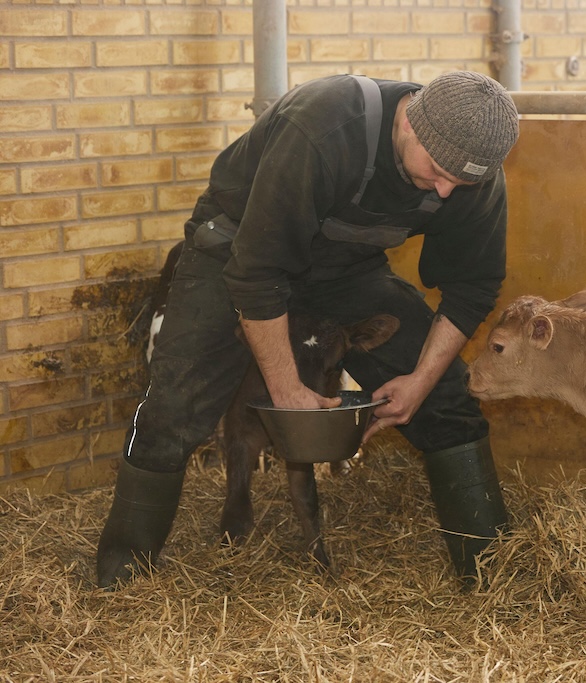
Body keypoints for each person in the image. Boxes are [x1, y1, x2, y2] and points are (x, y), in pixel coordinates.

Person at [97, 71, 520, 588]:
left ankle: (492, 578)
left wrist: (421, 381)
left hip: (344, 269)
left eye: (464, 182)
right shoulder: (328, 126)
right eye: (437, 170)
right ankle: (120, 580)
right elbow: (257, 274)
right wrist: (286, 390)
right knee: (175, 404)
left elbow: (473, 287)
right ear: (410, 122)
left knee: (448, 397)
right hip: (236, 252)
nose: (448, 189)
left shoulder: (471, 171)